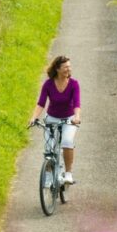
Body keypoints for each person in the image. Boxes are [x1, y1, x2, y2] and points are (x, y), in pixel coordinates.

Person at [29, 55, 81, 184]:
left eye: (69, 67)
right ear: (57, 69)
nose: (68, 69)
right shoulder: (48, 84)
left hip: (69, 119)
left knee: (67, 142)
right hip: (52, 119)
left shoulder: (74, 84)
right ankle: (48, 176)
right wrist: (33, 118)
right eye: (65, 67)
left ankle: (68, 174)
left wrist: (77, 117)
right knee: (49, 149)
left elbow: (76, 104)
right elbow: (41, 103)